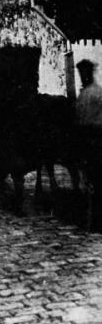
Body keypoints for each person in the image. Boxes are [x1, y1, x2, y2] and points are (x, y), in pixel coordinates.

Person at [75, 59, 102, 229]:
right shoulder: (84, 93)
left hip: (97, 136)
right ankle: (92, 219)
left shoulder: (97, 93)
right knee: (89, 178)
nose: (82, 76)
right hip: (85, 137)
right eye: (80, 73)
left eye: (85, 73)